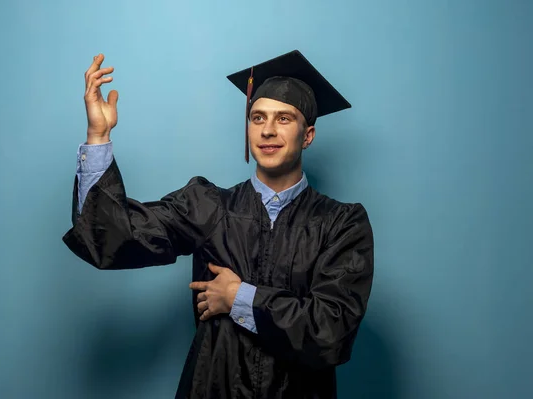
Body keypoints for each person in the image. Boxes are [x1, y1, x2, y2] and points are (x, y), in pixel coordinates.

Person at [63, 50, 374, 399]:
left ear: (308, 135)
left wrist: (238, 297)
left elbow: (332, 330)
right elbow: (112, 238)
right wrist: (98, 135)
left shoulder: (341, 224)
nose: (268, 130)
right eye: (257, 118)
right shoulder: (208, 205)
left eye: (284, 119)